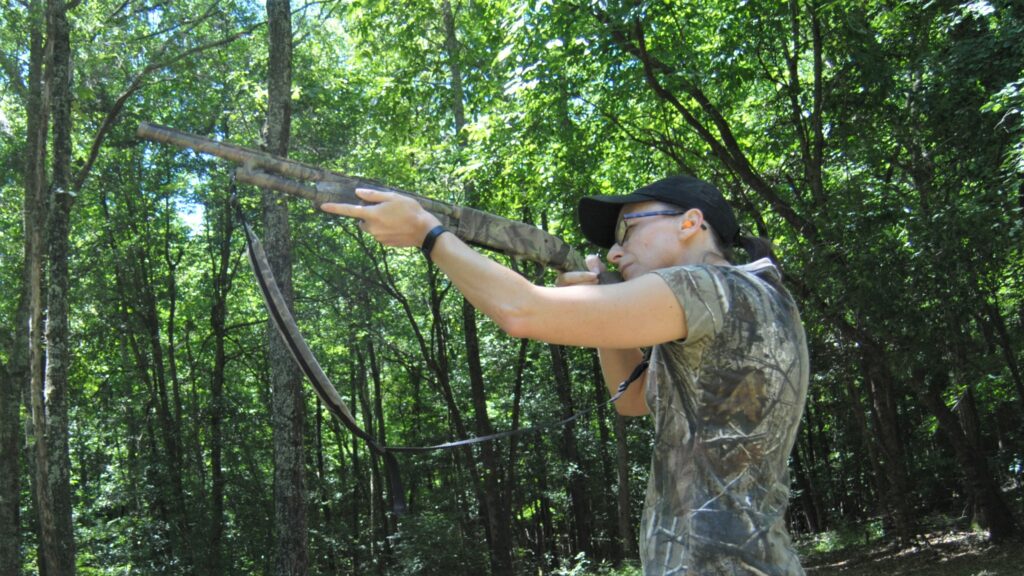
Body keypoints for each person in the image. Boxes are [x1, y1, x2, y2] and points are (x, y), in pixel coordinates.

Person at [321, 174, 809, 575]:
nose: (616, 252)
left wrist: (428, 234)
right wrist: (600, 303)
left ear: (690, 223)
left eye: (628, 231)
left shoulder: (705, 286)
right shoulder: (751, 294)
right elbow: (633, 399)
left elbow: (522, 312)